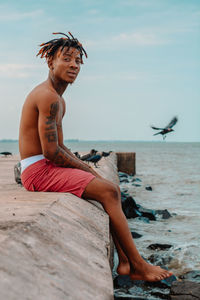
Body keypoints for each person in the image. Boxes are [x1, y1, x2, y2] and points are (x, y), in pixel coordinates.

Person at [19, 32, 173, 281]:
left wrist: (85, 168)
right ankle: (138, 266)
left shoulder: (57, 98)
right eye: (66, 59)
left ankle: (124, 262)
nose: (73, 65)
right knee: (109, 192)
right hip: (38, 171)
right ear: (50, 62)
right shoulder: (48, 97)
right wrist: (86, 169)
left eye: (78, 61)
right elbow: (51, 152)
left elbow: (60, 146)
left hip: (43, 166)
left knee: (108, 187)